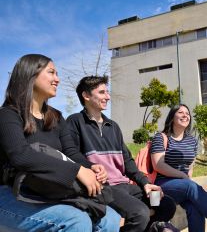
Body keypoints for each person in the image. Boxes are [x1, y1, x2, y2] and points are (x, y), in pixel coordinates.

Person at [0, 54, 121, 232]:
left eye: (57, 73)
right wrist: (77, 171)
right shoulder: (8, 114)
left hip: (48, 188)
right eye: (51, 72)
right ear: (30, 75)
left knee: (110, 218)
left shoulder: (55, 116)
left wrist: (90, 167)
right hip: (10, 192)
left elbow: (71, 152)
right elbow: (21, 155)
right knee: (76, 221)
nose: (57, 79)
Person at [66, 75, 177, 232]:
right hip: (105, 188)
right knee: (140, 213)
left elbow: (128, 162)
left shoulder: (113, 126)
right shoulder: (75, 121)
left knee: (166, 204)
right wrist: (92, 167)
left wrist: (145, 183)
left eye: (107, 92)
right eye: (102, 92)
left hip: (126, 185)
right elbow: (71, 155)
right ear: (86, 95)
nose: (108, 97)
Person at [150, 104, 207, 232]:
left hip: (183, 186)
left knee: (196, 207)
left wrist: (186, 177)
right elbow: (158, 165)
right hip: (160, 187)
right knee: (192, 186)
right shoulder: (161, 137)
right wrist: (182, 176)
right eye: (180, 112)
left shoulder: (192, 141)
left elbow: (190, 166)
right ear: (172, 117)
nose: (185, 115)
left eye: (187, 113)